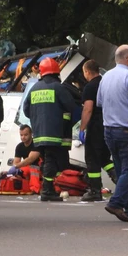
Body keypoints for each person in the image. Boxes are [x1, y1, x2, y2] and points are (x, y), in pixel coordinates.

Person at [22, 57, 77, 201]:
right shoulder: (58, 87)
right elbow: (71, 107)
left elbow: (26, 111)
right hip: (55, 132)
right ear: (56, 72)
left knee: (48, 159)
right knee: (51, 160)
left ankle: (50, 188)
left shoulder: (34, 88)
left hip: (39, 132)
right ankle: (47, 190)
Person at [98, 45, 128, 222]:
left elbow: (99, 102)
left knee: (122, 170)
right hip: (125, 129)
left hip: (109, 130)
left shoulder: (105, 76)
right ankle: (116, 202)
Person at [78, 59, 116, 202]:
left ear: (87, 71)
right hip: (108, 123)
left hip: (95, 125)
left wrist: (82, 129)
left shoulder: (90, 87)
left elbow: (88, 109)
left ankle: (95, 191)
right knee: (104, 157)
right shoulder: (106, 83)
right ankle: (119, 180)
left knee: (92, 158)